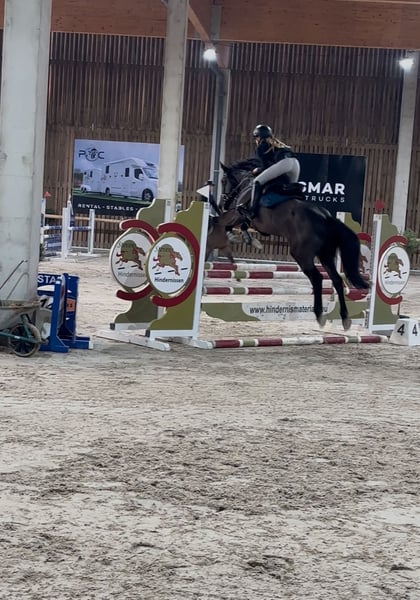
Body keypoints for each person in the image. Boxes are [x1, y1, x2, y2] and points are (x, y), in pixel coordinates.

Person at [247, 124, 300, 218]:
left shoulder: (262, 146)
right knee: (289, 187)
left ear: (259, 137)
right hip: (295, 164)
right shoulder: (278, 144)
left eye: (256, 137)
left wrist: (256, 171)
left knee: (257, 182)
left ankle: (251, 211)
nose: (256, 140)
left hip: (285, 163)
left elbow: (264, 168)